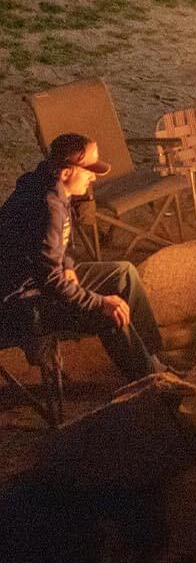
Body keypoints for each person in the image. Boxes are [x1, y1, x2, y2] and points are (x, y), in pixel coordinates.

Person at [0, 133, 165, 381]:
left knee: (124, 273)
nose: (94, 176)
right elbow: (51, 282)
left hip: (41, 281)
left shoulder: (49, 183)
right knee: (110, 314)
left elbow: (54, 245)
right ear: (66, 172)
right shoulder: (48, 205)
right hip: (19, 304)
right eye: (89, 169)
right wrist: (100, 302)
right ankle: (151, 380)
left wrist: (67, 265)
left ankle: (154, 359)